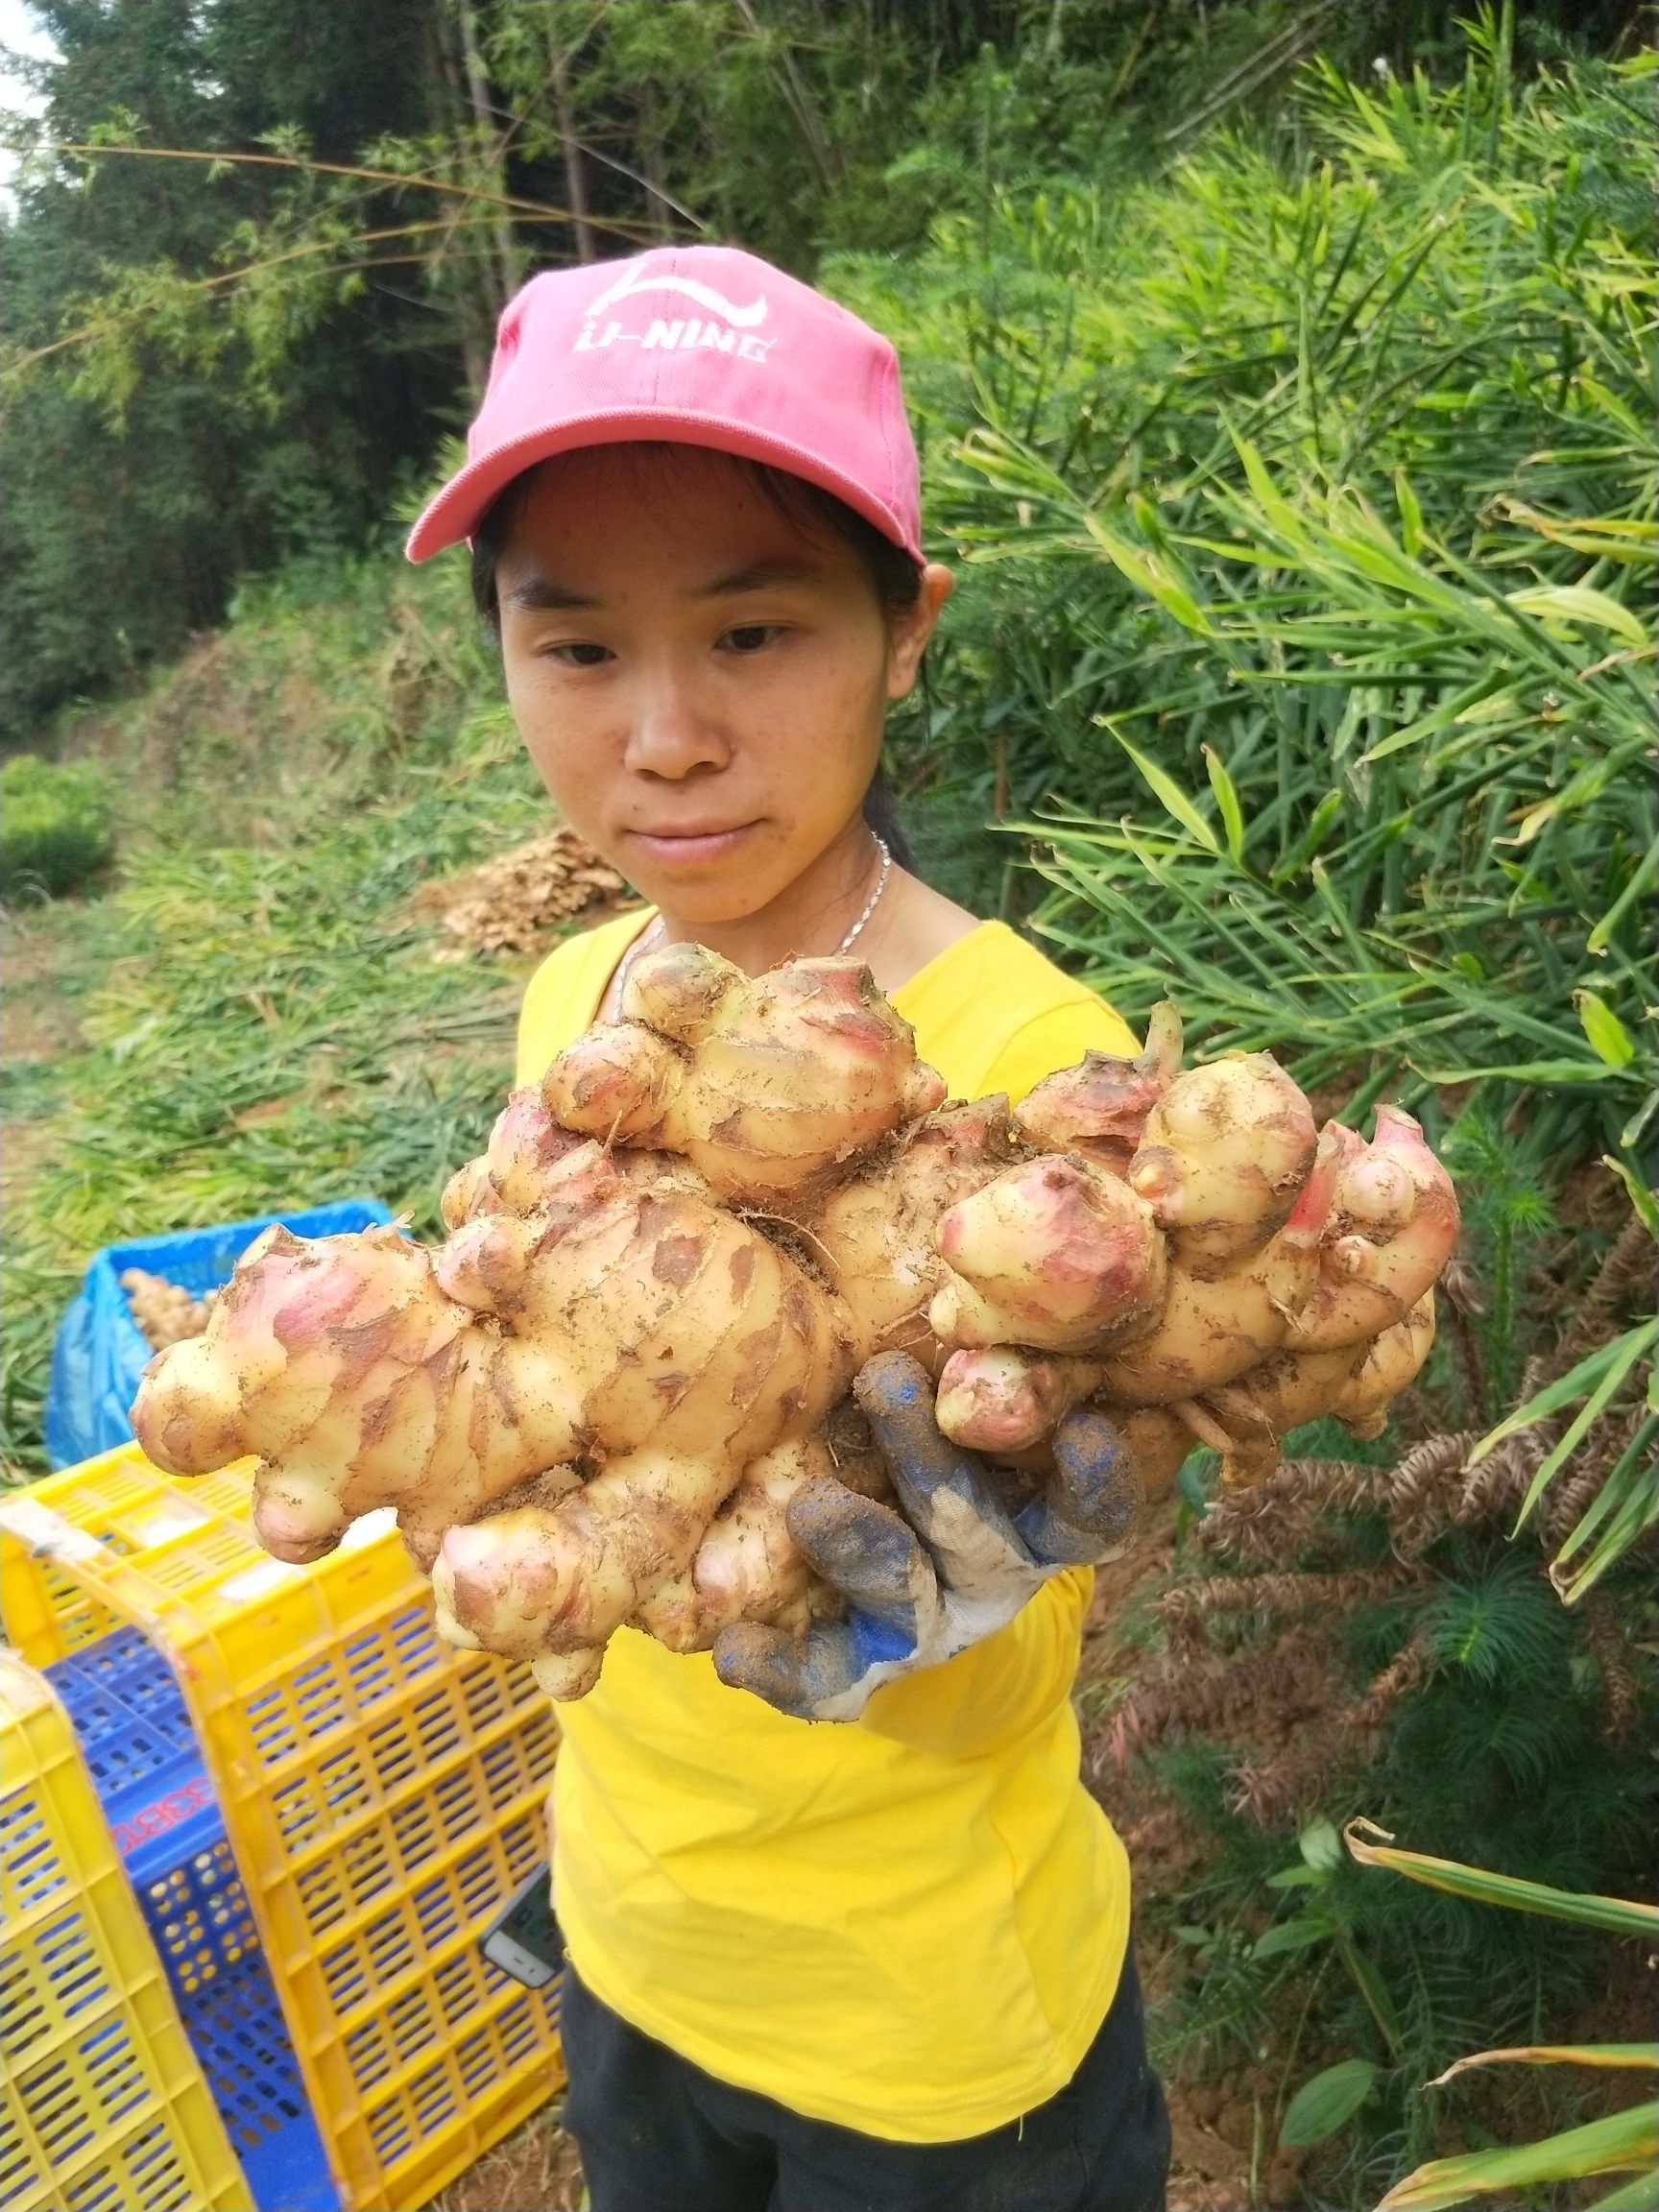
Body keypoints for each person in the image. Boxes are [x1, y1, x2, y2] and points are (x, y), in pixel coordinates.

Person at [406, 244, 1171, 2212]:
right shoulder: (576, 996)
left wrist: (957, 1587)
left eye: (752, 635)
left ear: (905, 629)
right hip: (636, 1933)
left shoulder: (1028, 1073)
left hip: (928, 2026)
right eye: (577, 649)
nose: (664, 736)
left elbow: (1024, 1590)